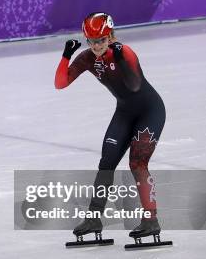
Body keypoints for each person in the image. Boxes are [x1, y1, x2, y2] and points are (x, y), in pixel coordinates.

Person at [54, 12, 166, 241]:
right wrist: (66, 55)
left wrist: (120, 59)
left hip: (150, 112)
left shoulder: (124, 52)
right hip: (124, 112)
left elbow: (134, 86)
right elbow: (60, 83)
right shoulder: (87, 58)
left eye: (102, 40)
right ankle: (94, 218)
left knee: (137, 162)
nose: (96, 46)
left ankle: (151, 220)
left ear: (110, 36)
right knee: (106, 163)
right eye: (92, 41)